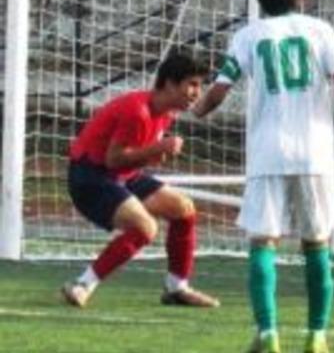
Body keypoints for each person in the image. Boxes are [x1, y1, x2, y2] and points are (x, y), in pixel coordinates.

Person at [193, 0, 334, 353]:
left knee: (262, 241)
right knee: (317, 243)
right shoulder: (320, 30)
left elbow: (220, 89)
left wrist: (194, 111)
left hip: (267, 153)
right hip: (315, 154)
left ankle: (268, 332)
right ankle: (317, 335)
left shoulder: (248, 36)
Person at [61, 52, 219, 309]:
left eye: (200, 86)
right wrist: (158, 149)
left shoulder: (165, 111)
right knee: (145, 227)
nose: (197, 92)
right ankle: (82, 284)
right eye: (192, 84)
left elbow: (130, 158)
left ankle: (177, 288)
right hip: (90, 178)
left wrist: (153, 153)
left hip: (119, 175)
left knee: (183, 208)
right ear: (169, 84)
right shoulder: (138, 111)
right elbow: (114, 160)